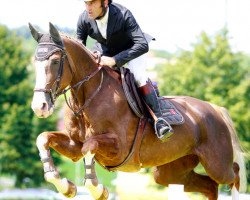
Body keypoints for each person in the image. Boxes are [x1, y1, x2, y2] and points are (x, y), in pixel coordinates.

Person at [77, 0, 173, 141]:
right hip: (107, 50)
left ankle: (159, 120)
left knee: (138, 77)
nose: (88, 8)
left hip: (132, 49)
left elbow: (142, 44)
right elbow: (80, 46)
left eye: (91, 3)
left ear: (104, 2)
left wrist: (115, 60)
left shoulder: (123, 14)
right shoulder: (84, 18)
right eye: (86, 3)